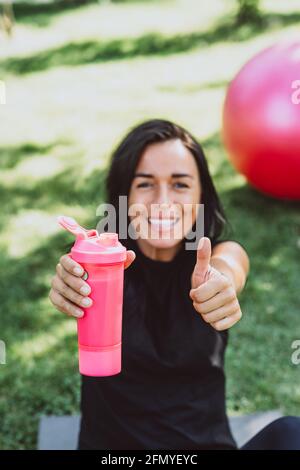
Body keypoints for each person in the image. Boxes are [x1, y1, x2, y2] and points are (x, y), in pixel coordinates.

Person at [49, 119, 300, 450]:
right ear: (123, 195)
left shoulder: (216, 258)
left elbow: (231, 265)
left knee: (291, 434)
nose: (163, 201)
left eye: (180, 185)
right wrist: (70, 283)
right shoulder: (99, 266)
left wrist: (222, 283)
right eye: (145, 184)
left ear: (201, 197)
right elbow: (73, 272)